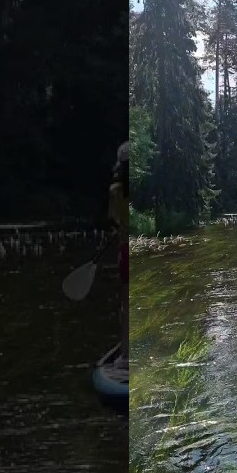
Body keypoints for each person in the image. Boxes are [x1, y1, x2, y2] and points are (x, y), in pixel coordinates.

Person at [107, 143, 130, 377]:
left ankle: (126, 357)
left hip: (125, 251)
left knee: (126, 306)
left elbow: (113, 221)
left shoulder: (115, 190)